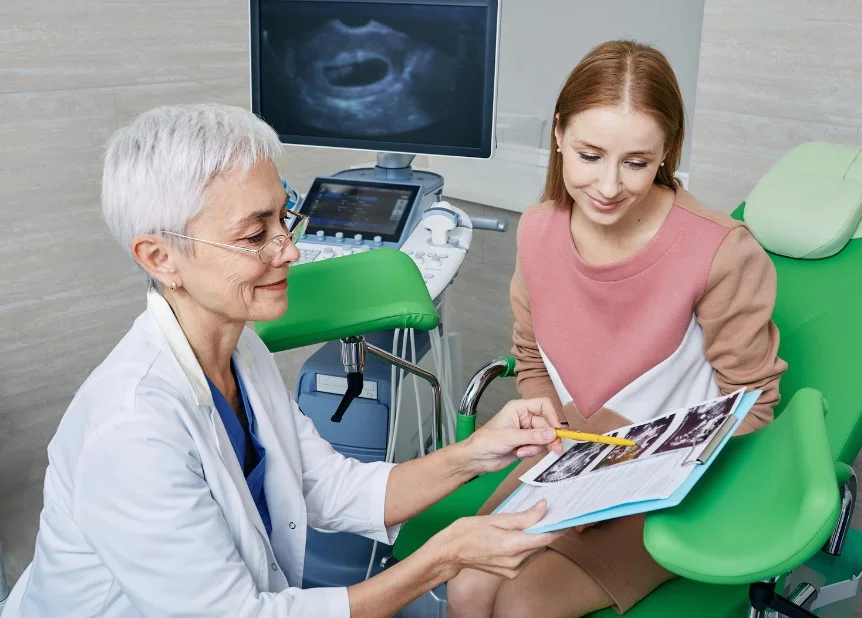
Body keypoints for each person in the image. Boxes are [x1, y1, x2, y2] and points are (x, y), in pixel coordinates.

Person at [1, 103, 568, 618]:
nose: (290, 250)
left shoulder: (238, 349)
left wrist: (476, 452)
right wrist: (439, 560)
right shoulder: (130, 430)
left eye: (284, 217)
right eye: (255, 235)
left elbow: (333, 488)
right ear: (160, 256)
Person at [446, 40, 788, 618]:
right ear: (558, 135)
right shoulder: (538, 231)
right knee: (466, 585)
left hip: (665, 484)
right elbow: (531, 359)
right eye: (589, 155)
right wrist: (549, 430)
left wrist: (655, 470)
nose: (607, 186)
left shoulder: (720, 252)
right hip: (572, 461)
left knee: (524, 607)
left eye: (636, 162)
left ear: (666, 154)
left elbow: (754, 405)